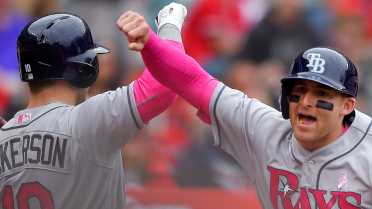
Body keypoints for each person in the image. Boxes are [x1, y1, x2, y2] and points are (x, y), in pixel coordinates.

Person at [117, 4, 372, 208]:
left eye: (321, 93)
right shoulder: (264, 129)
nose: (306, 102)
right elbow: (191, 81)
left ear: (347, 106)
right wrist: (161, 34)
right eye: (300, 90)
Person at [0, 3, 187, 208]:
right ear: (84, 70)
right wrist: (170, 24)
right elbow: (168, 82)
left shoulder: (4, 137)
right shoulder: (89, 120)